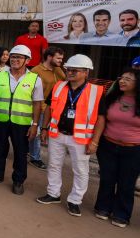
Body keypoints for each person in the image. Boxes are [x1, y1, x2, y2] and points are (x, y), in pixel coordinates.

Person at [36, 54, 103, 216]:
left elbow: (101, 118)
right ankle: (53, 194)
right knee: (54, 164)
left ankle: (75, 200)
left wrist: (95, 141)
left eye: (75, 70)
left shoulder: (96, 91)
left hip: (80, 138)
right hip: (57, 134)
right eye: (68, 69)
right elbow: (49, 109)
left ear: (86, 72)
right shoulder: (59, 86)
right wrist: (44, 129)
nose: (70, 72)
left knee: (80, 170)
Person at [0, 44, 44, 195]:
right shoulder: (0, 75)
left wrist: (35, 124)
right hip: (1, 120)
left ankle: (18, 180)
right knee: (0, 149)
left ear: (27, 60)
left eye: (19, 57)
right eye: (13, 57)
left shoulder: (35, 79)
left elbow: (37, 104)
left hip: (22, 123)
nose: (15, 60)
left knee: (20, 152)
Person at [90, 68, 140, 227]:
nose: (122, 81)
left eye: (128, 79)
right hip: (108, 145)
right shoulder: (111, 98)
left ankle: (122, 214)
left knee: (127, 182)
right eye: (121, 78)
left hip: (133, 149)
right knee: (107, 178)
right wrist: (96, 141)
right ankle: (103, 207)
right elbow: (102, 120)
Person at [28, 46, 66, 169]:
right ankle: (35, 158)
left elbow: (65, 84)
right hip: (41, 107)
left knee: (43, 133)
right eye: (58, 58)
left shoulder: (58, 70)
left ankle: (30, 151)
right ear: (49, 57)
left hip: (54, 109)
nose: (61, 61)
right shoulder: (36, 70)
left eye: (62, 58)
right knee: (37, 132)